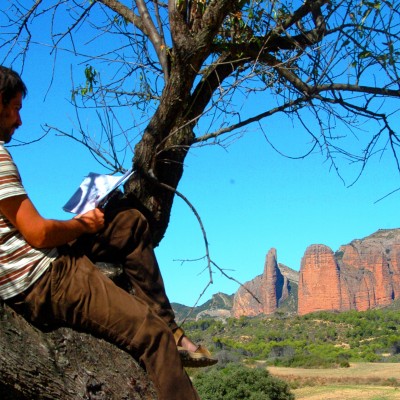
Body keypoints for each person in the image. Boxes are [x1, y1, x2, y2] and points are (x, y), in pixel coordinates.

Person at [0, 66, 216, 400]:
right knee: (151, 335)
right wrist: (83, 224)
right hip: (43, 278)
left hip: (40, 263)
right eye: (15, 108)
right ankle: (166, 334)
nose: (19, 120)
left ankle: (171, 327)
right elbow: (38, 234)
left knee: (129, 221)